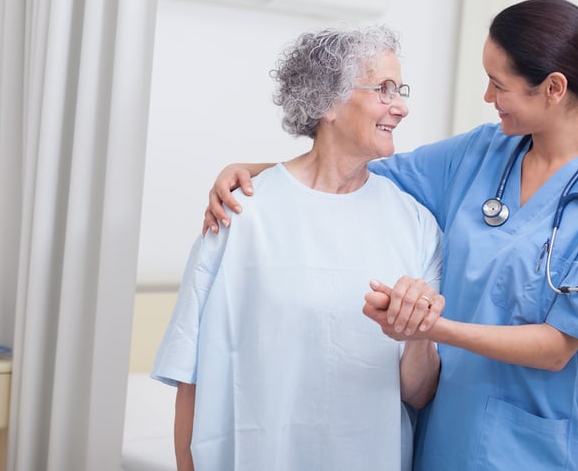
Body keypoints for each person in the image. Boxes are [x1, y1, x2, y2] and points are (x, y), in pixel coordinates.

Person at [201, 0, 578, 470]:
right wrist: (254, 172)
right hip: (441, 434)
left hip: (530, 448)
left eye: (498, 85)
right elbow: (360, 169)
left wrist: (428, 329)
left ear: (554, 88)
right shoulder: (485, 151)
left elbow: (558, 348)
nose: (486, 97)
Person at [151, 25, 445, 471]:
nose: (401, 107)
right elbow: (189, 377)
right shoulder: (240, 213)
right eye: (384, 89)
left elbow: (418, 393)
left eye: (400, 89)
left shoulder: (416, 225)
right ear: (326, 100)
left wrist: (420, 334)